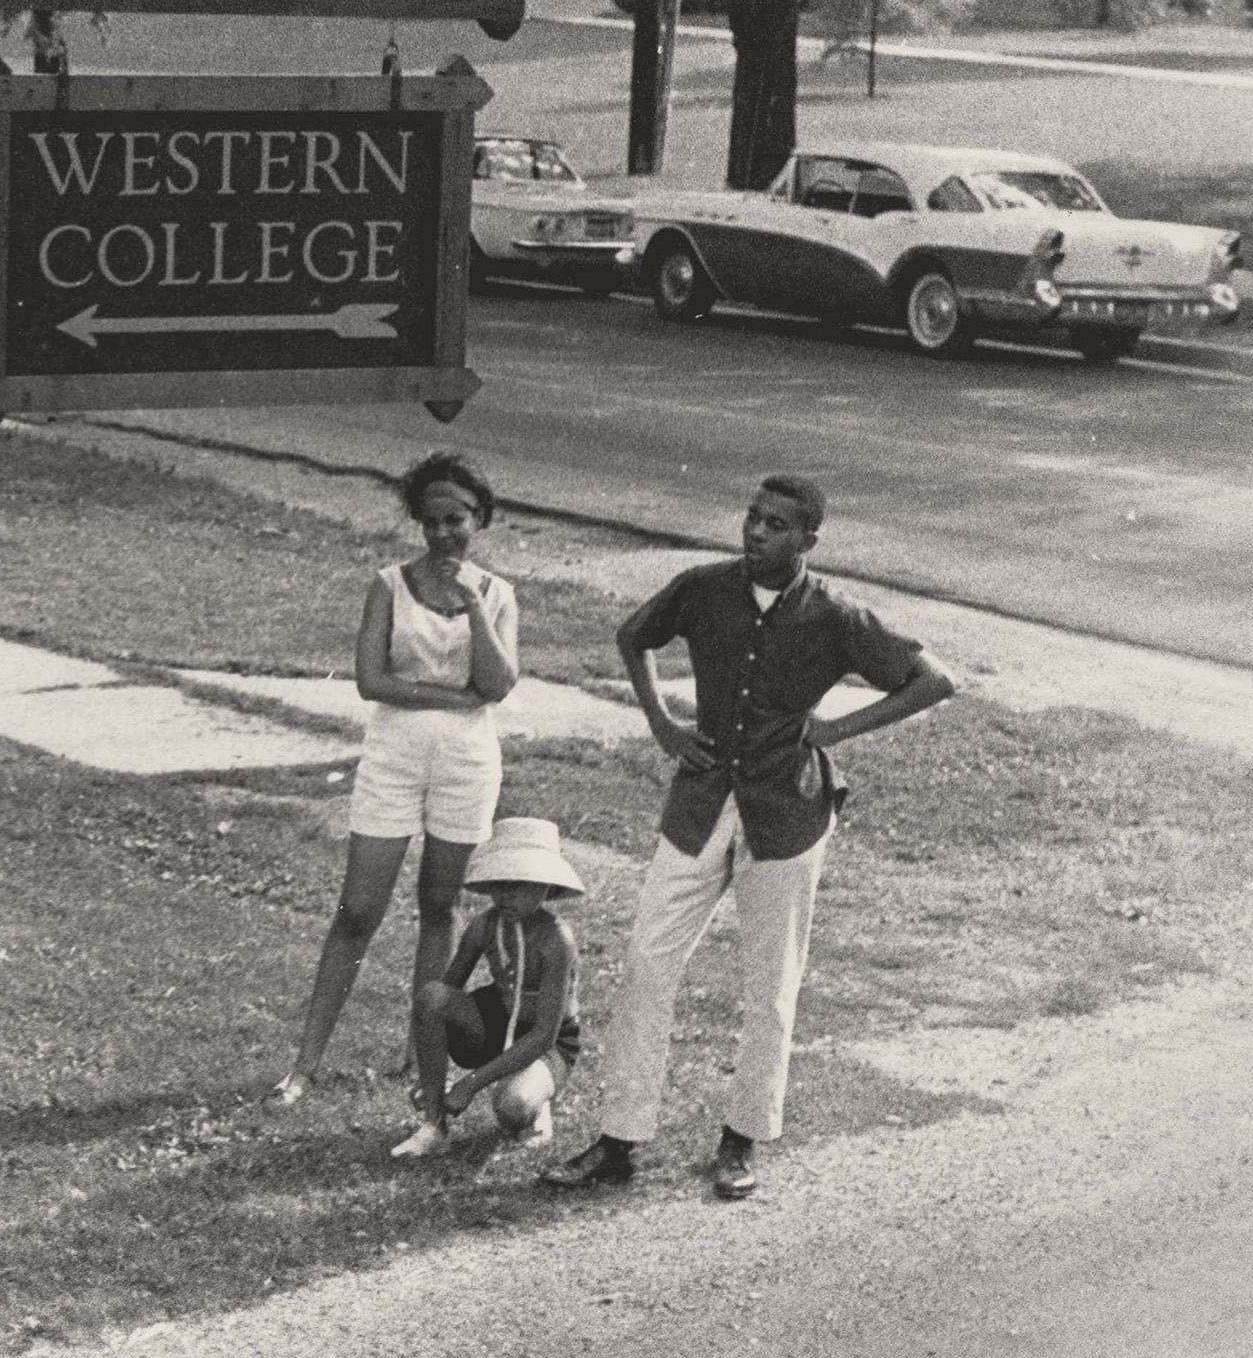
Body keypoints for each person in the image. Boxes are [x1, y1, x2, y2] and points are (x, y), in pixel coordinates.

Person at [545, 474, 954, 1200]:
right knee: (646, 961)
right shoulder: (702, 588)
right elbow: (633, 636)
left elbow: (932, 681)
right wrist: (663, 724)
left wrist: (833, 730)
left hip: (787, 812)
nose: (757, 532)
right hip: (701, 801)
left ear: (808, 541)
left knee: (771, 985)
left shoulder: (836, 615)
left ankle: (742, 1141)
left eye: (776, 525)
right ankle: (618, 1141)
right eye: (752, 517)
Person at [271, 451, 520, 1105]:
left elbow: (496, 685)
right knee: (358, 910)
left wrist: (470, 603)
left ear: (480, 520)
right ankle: (305, 1065)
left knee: (440, 906)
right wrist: (449, 696)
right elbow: (370, 680)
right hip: (393, 757)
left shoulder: (496, 595)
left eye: (457, 519)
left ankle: (421, 1054)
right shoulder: (388, 584)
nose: (443, 533)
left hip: (466, 764)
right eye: (432, 520)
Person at [389, 816, 583, 1162]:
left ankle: (536, 1107)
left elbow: (543, 1035)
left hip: (547, 1041)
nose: (507, 895)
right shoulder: (483, 926)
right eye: (500, 883)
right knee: (431, 996)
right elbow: (439, 998)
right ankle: (434, 1125)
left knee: (512, 1106)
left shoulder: (556, 940)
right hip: (497, 1021)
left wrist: (471, 1083)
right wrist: (430, 1078)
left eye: (521, 885)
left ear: (546, 888)